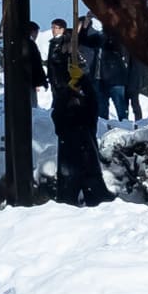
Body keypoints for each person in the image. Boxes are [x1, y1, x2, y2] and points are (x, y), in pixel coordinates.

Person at [46, 19, 106, 205]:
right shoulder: (59, 63)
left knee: (86, 163)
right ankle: (71, 196)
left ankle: (91, 195)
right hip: (70, 121)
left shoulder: (80, 69)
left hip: (81, 123)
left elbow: (90, 101)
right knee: (71, 169)